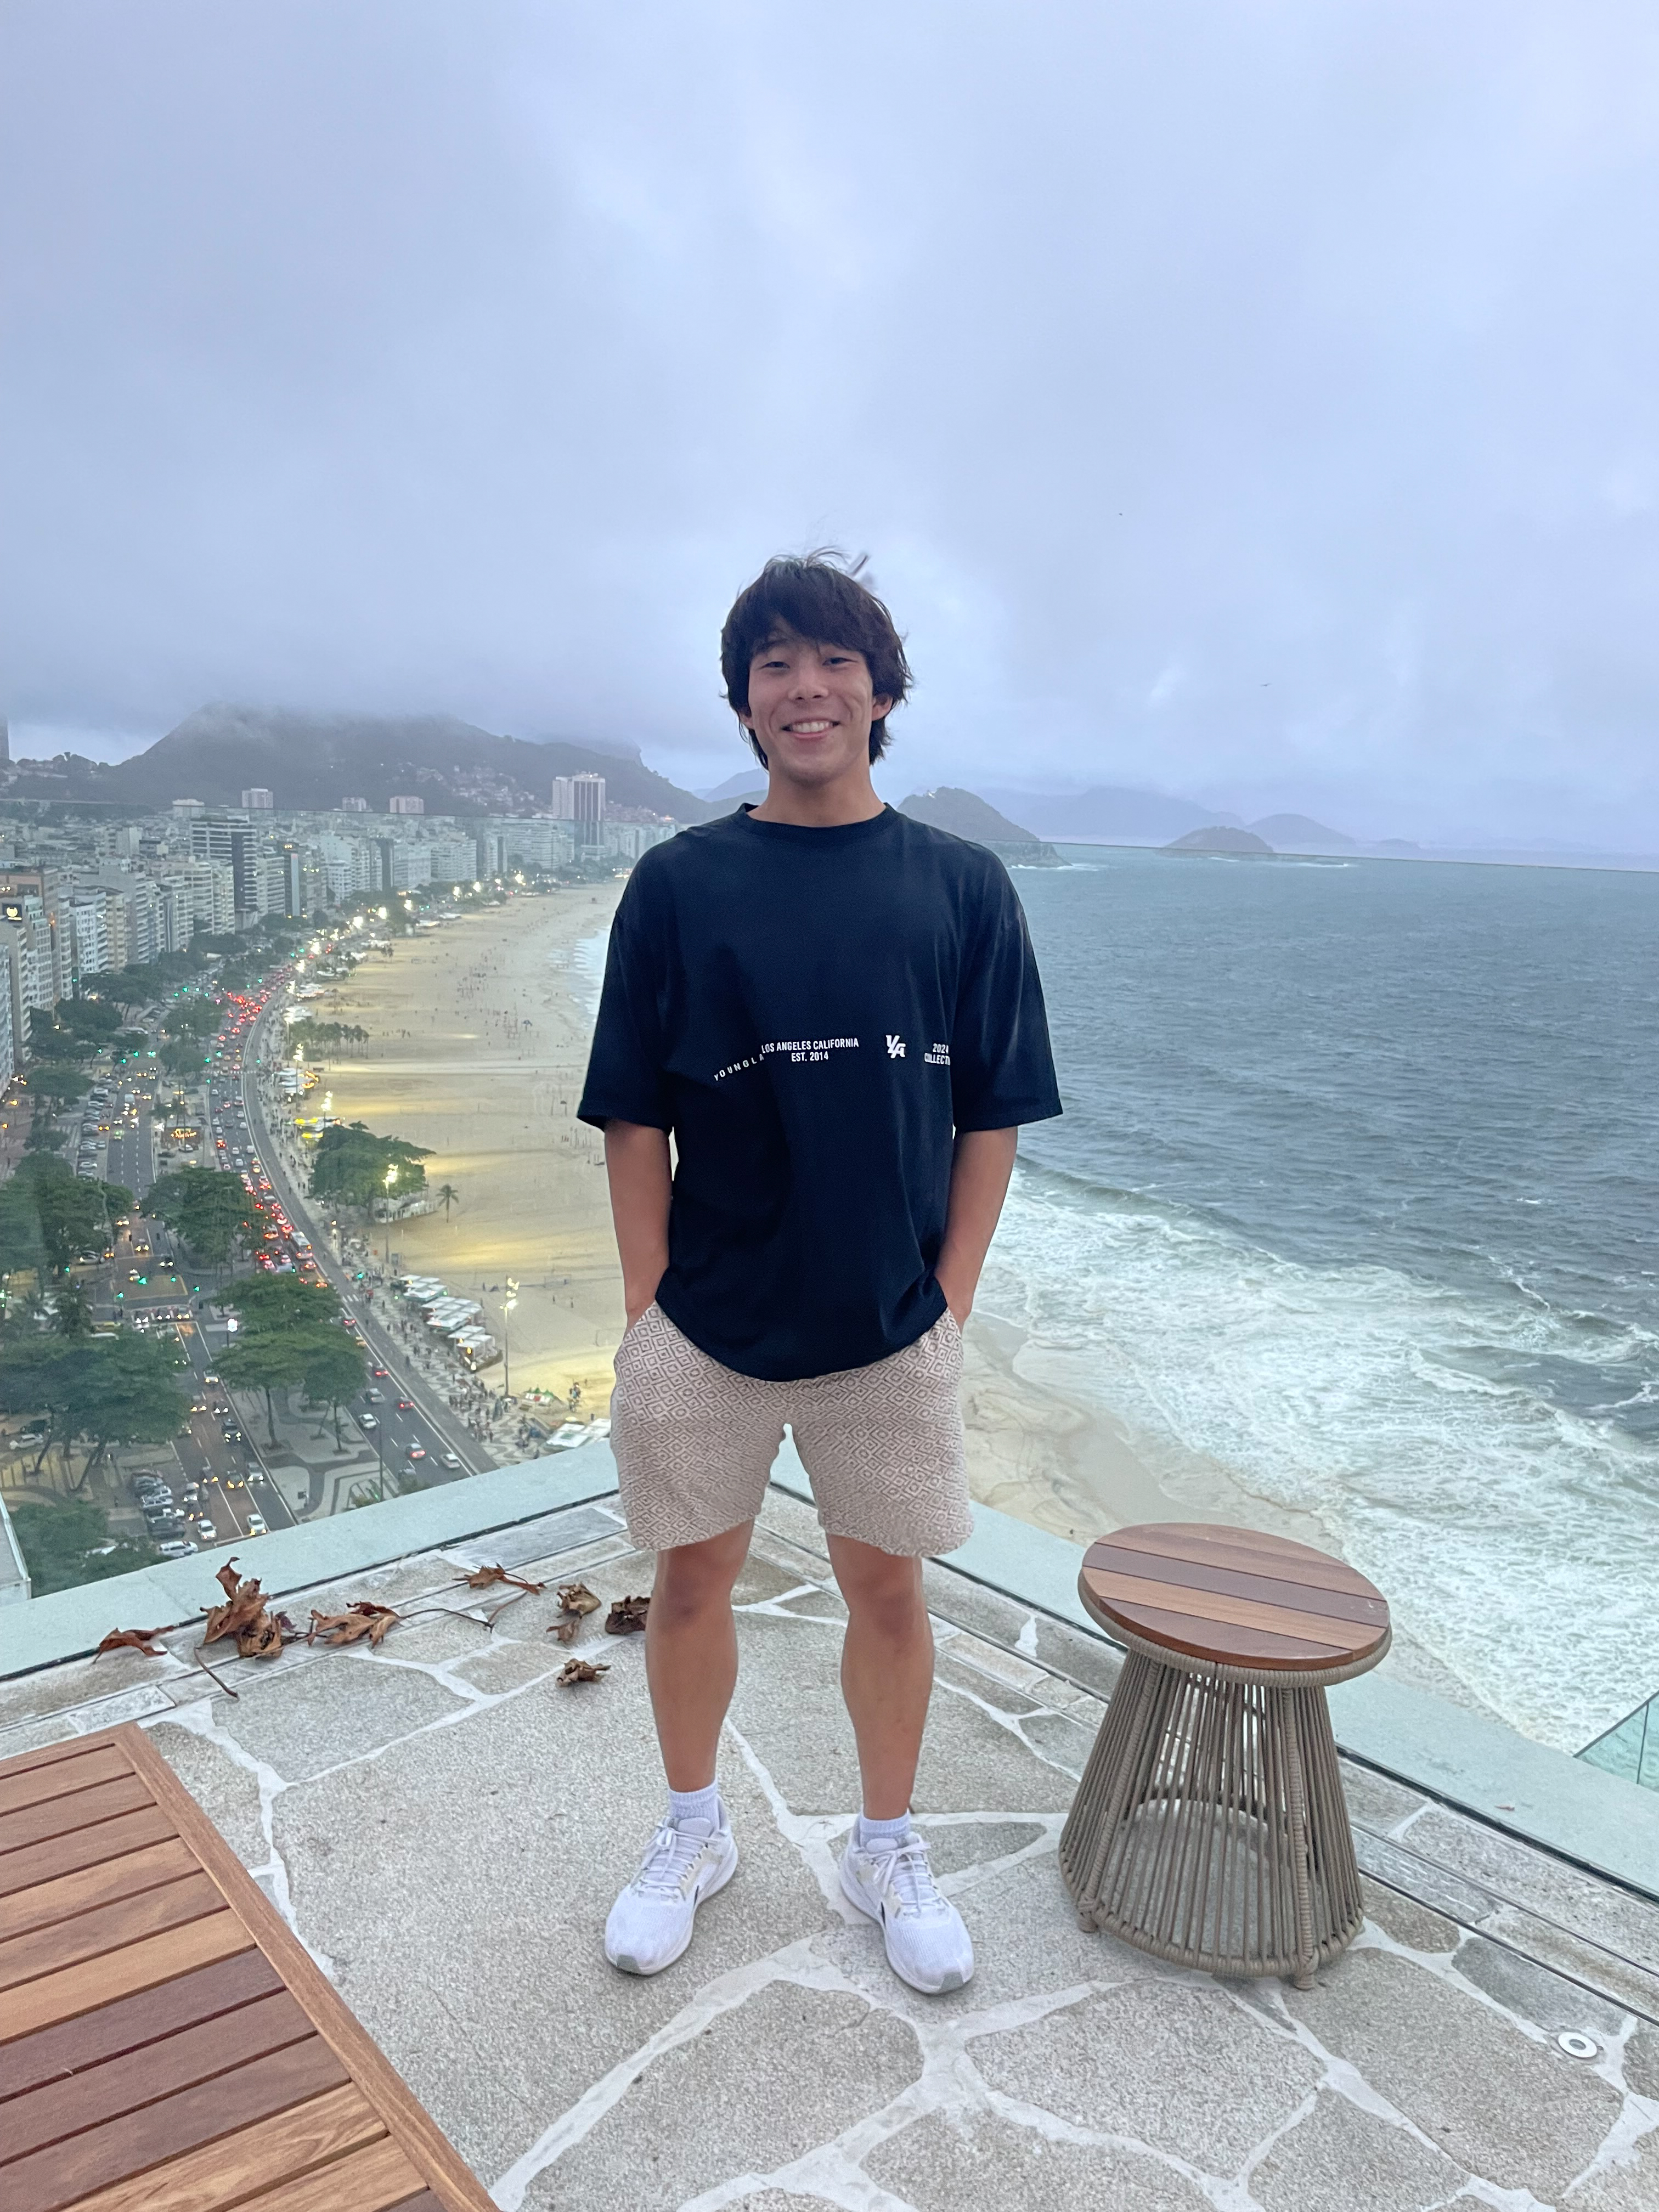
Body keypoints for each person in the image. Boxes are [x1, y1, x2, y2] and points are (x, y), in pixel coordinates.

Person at [577, 552, 1060, 1995]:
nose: (806, 687)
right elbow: (632, 1114)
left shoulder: (961, 887)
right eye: (775, 664)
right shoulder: (677, 885)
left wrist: (951, 1303)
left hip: (888, 1324)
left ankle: (886, 1846)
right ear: (743, 703)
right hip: (709, 1325)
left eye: (833, 659)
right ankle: (692, 1833)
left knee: (892, 1594)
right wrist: (651, 1309)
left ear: (882, 690)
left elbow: (993, 1115)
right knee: (688, 1583)